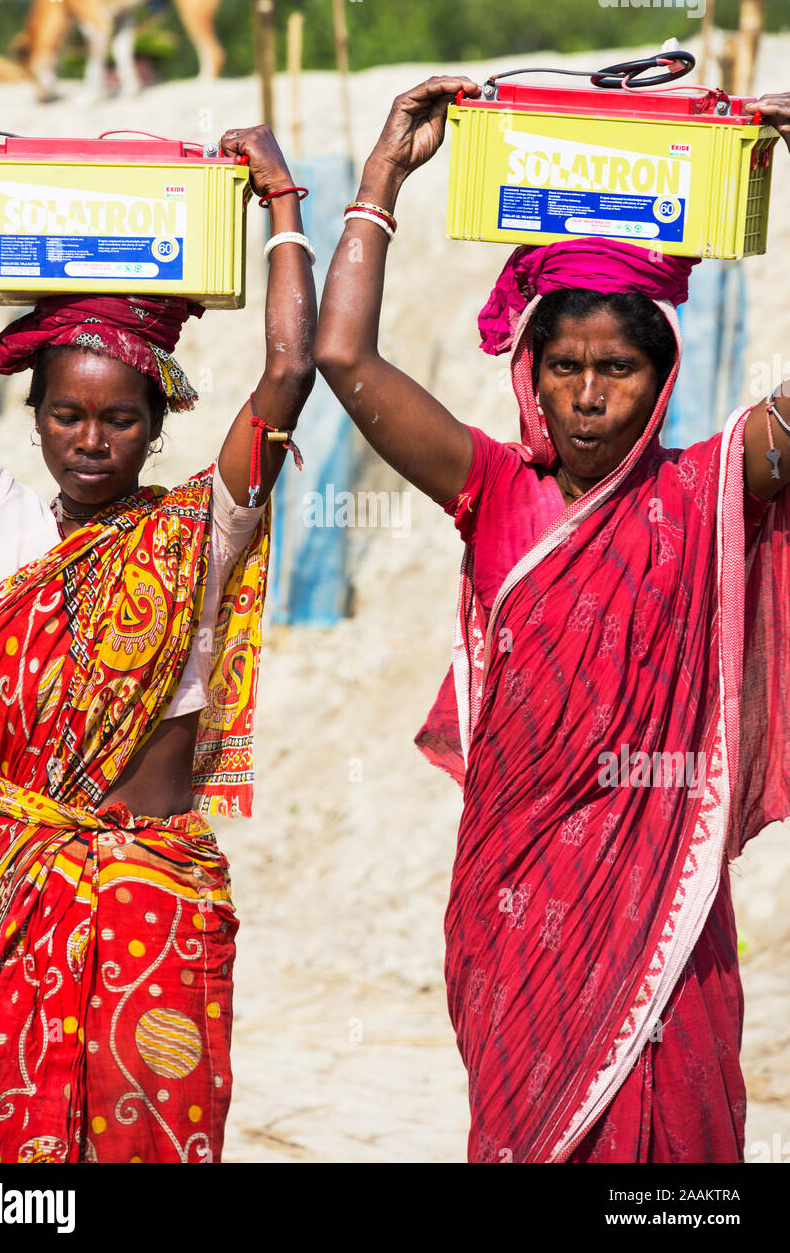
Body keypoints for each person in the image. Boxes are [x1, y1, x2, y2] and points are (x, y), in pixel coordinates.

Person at [315, 75, 790, 1163]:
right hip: (516, 903)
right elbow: (342, 359)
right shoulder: (489, 489)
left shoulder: (709, 488)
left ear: (659, 376)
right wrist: (384, 171)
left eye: (615, 369)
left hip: (664, 913)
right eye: (564, 366)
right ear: (527, 372)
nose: (586, 395)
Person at [0, 108, 316, 1163]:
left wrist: (281, 202)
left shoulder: (203, 525)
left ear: (157, 418)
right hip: (25, 877)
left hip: (160, 889)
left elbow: (288, 373)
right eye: (65, 416)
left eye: (119, 418)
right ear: (35, 413)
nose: (89, 441)